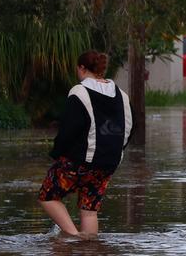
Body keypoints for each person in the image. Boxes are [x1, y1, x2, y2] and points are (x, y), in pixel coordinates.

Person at [37, 50, 133, 237]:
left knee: (48, 196)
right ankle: (90, 247)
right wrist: (116, 153)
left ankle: (74, 238)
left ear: (82, 68)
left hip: (80, 161)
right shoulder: (122, 95)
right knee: (89, 209)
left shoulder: (79, 92)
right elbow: (128, 128)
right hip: (108, 163)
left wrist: (56, 154)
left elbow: (68, 130)